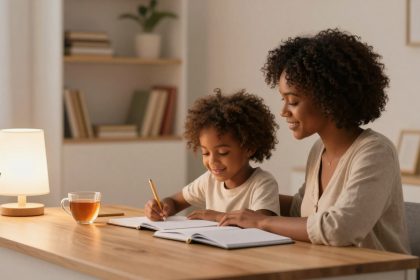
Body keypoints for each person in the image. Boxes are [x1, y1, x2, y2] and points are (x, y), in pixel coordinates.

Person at [219, 29, 410, 254]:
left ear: (329, 99)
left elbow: (340, 228)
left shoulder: (376, 153)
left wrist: (261, 222)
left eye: (293, 101)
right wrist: (244, 187)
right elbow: (302, 211)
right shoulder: (319, 150)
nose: (283, 111)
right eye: (283, 100)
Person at [145, 89, 280, 222]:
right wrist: (162, 207)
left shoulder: (262, 183)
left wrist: (217, 217)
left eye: (222, 153)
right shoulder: (209, 181)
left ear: (249, 148)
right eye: (206, 153)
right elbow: (174, 201)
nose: (212, 161)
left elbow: (262, 225)